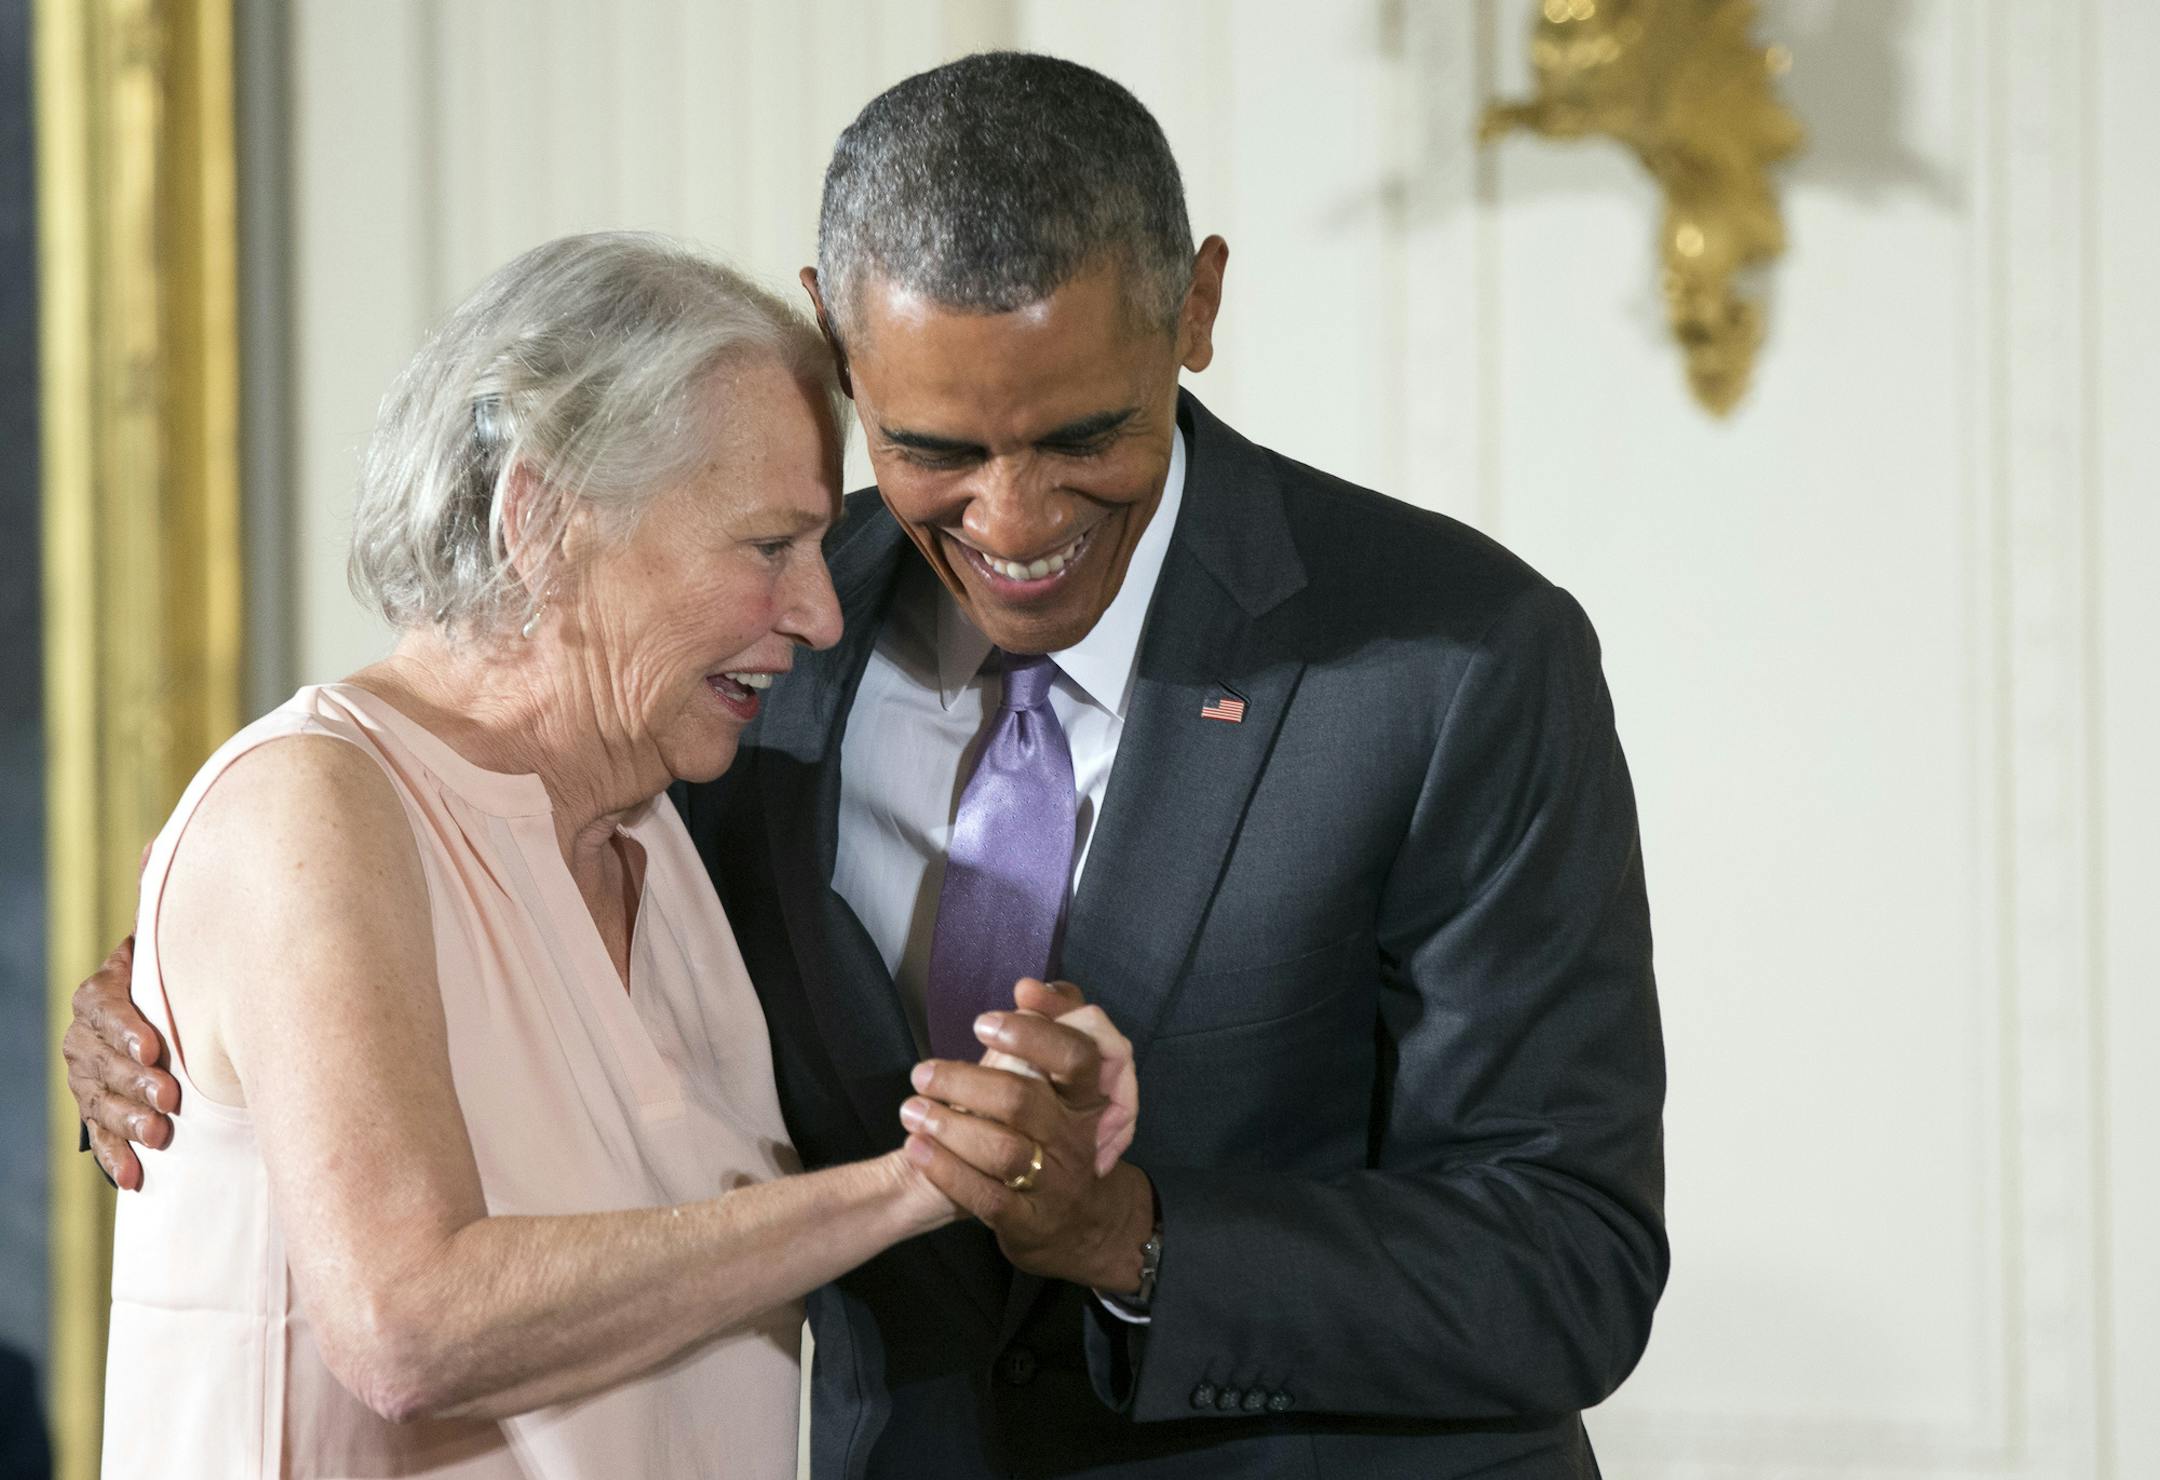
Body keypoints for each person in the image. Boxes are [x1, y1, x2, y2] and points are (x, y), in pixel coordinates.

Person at [70, 53, 1667, 1480]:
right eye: (939, 453)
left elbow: (1570, 1261)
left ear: (1198, 307)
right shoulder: (749, 642)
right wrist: (193, 1027)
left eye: (1087, 436)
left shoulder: (1455, 663)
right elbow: (483, 947)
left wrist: (1135, 1239)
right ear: (838, 340)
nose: (1019, 522)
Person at [78, 231, 1131, 1479]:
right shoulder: (309, 806)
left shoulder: (673, 836)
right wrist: (919, 1182)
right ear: (541, 519)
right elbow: (407, 1323)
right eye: (767, 547)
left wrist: (1043, 1085)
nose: (823, 610)